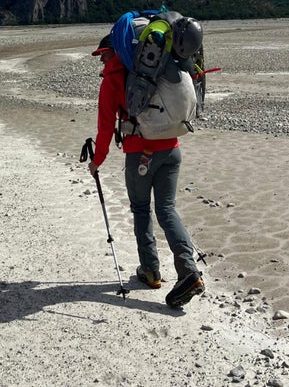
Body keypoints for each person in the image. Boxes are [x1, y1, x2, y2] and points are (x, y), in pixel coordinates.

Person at [87, 31, 205, 309]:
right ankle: (188, 270)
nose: (101, 61)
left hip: (141, 153)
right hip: (172, 149)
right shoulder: (164, 68)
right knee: (166, 209)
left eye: (103, 54)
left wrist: (97, 161)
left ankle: (151, 271)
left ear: (116, 52)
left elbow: (105, 128)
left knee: (141, 208)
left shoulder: (114, 78)